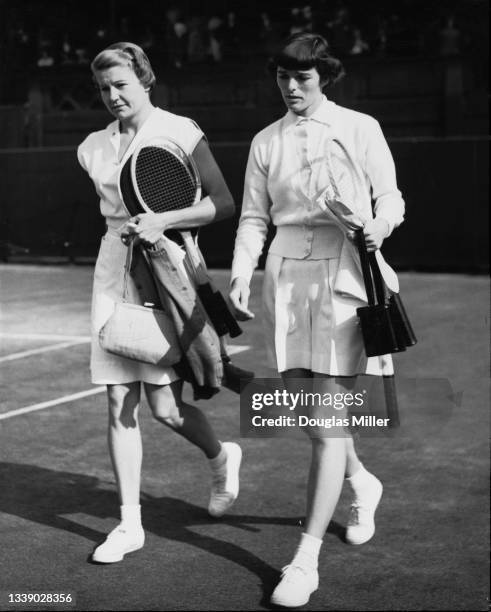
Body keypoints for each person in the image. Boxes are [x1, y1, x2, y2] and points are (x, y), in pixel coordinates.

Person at [229, 33, 404, 607]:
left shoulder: (360, 126)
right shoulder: (265, 141)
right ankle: (361, 480)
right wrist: (239, 276)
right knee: (308, 410)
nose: (291, 87)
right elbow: (254, 217)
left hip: (348, 274)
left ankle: (304, 561)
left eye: (302, 78)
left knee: (328, 419)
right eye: (283, 77)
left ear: (323, 77)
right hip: (285, 276)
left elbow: (391, 196)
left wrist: (381, 224)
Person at [77, 42, 242, 564]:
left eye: (121, 84)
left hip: (169, 268)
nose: (112, 95)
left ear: (145, 80)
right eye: (104, 88)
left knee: (166, 409)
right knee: (116, 400)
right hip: (114, 270)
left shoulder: (180, 130)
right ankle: (129, 525)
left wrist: (163, 222)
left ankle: (221, 457)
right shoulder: (91, 148)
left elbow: (223, 203)